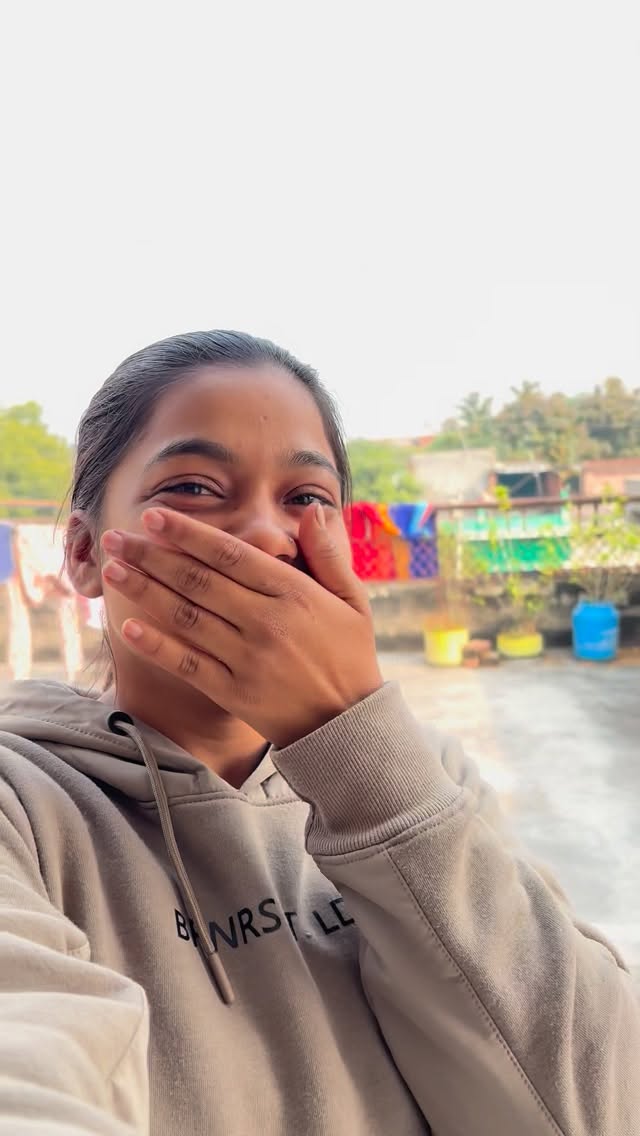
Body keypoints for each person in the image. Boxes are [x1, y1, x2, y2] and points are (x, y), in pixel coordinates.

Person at [0, 330, 637, 1136]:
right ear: (85, 553)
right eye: (194, 487)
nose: (268, 536)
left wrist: (360, 752)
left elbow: (599, 1107)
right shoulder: (22, 808)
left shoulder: (430, 776)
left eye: (306, 497)